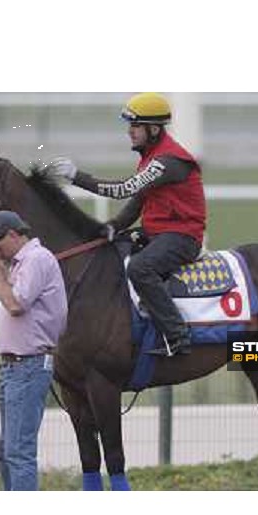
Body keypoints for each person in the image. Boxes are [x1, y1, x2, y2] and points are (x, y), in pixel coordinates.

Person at [48, 92, 206, 357]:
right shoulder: (151, 156)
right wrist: (116, 225)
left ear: (154, 129)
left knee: (140, 268)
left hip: (182, 238)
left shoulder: (168, 161)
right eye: (129, 126)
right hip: (158, 233)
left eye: (135, 126)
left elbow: (123, 189)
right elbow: (139, 200)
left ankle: (177, 336)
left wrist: (78, 177)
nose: (130, 132)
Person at [0, 210, 67, 491]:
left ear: (13, 234)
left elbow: (15, 305)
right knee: (7, 454)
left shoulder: (37, 259)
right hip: (15, 368)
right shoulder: (22, 262)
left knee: (18, 454)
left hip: (27, 366)